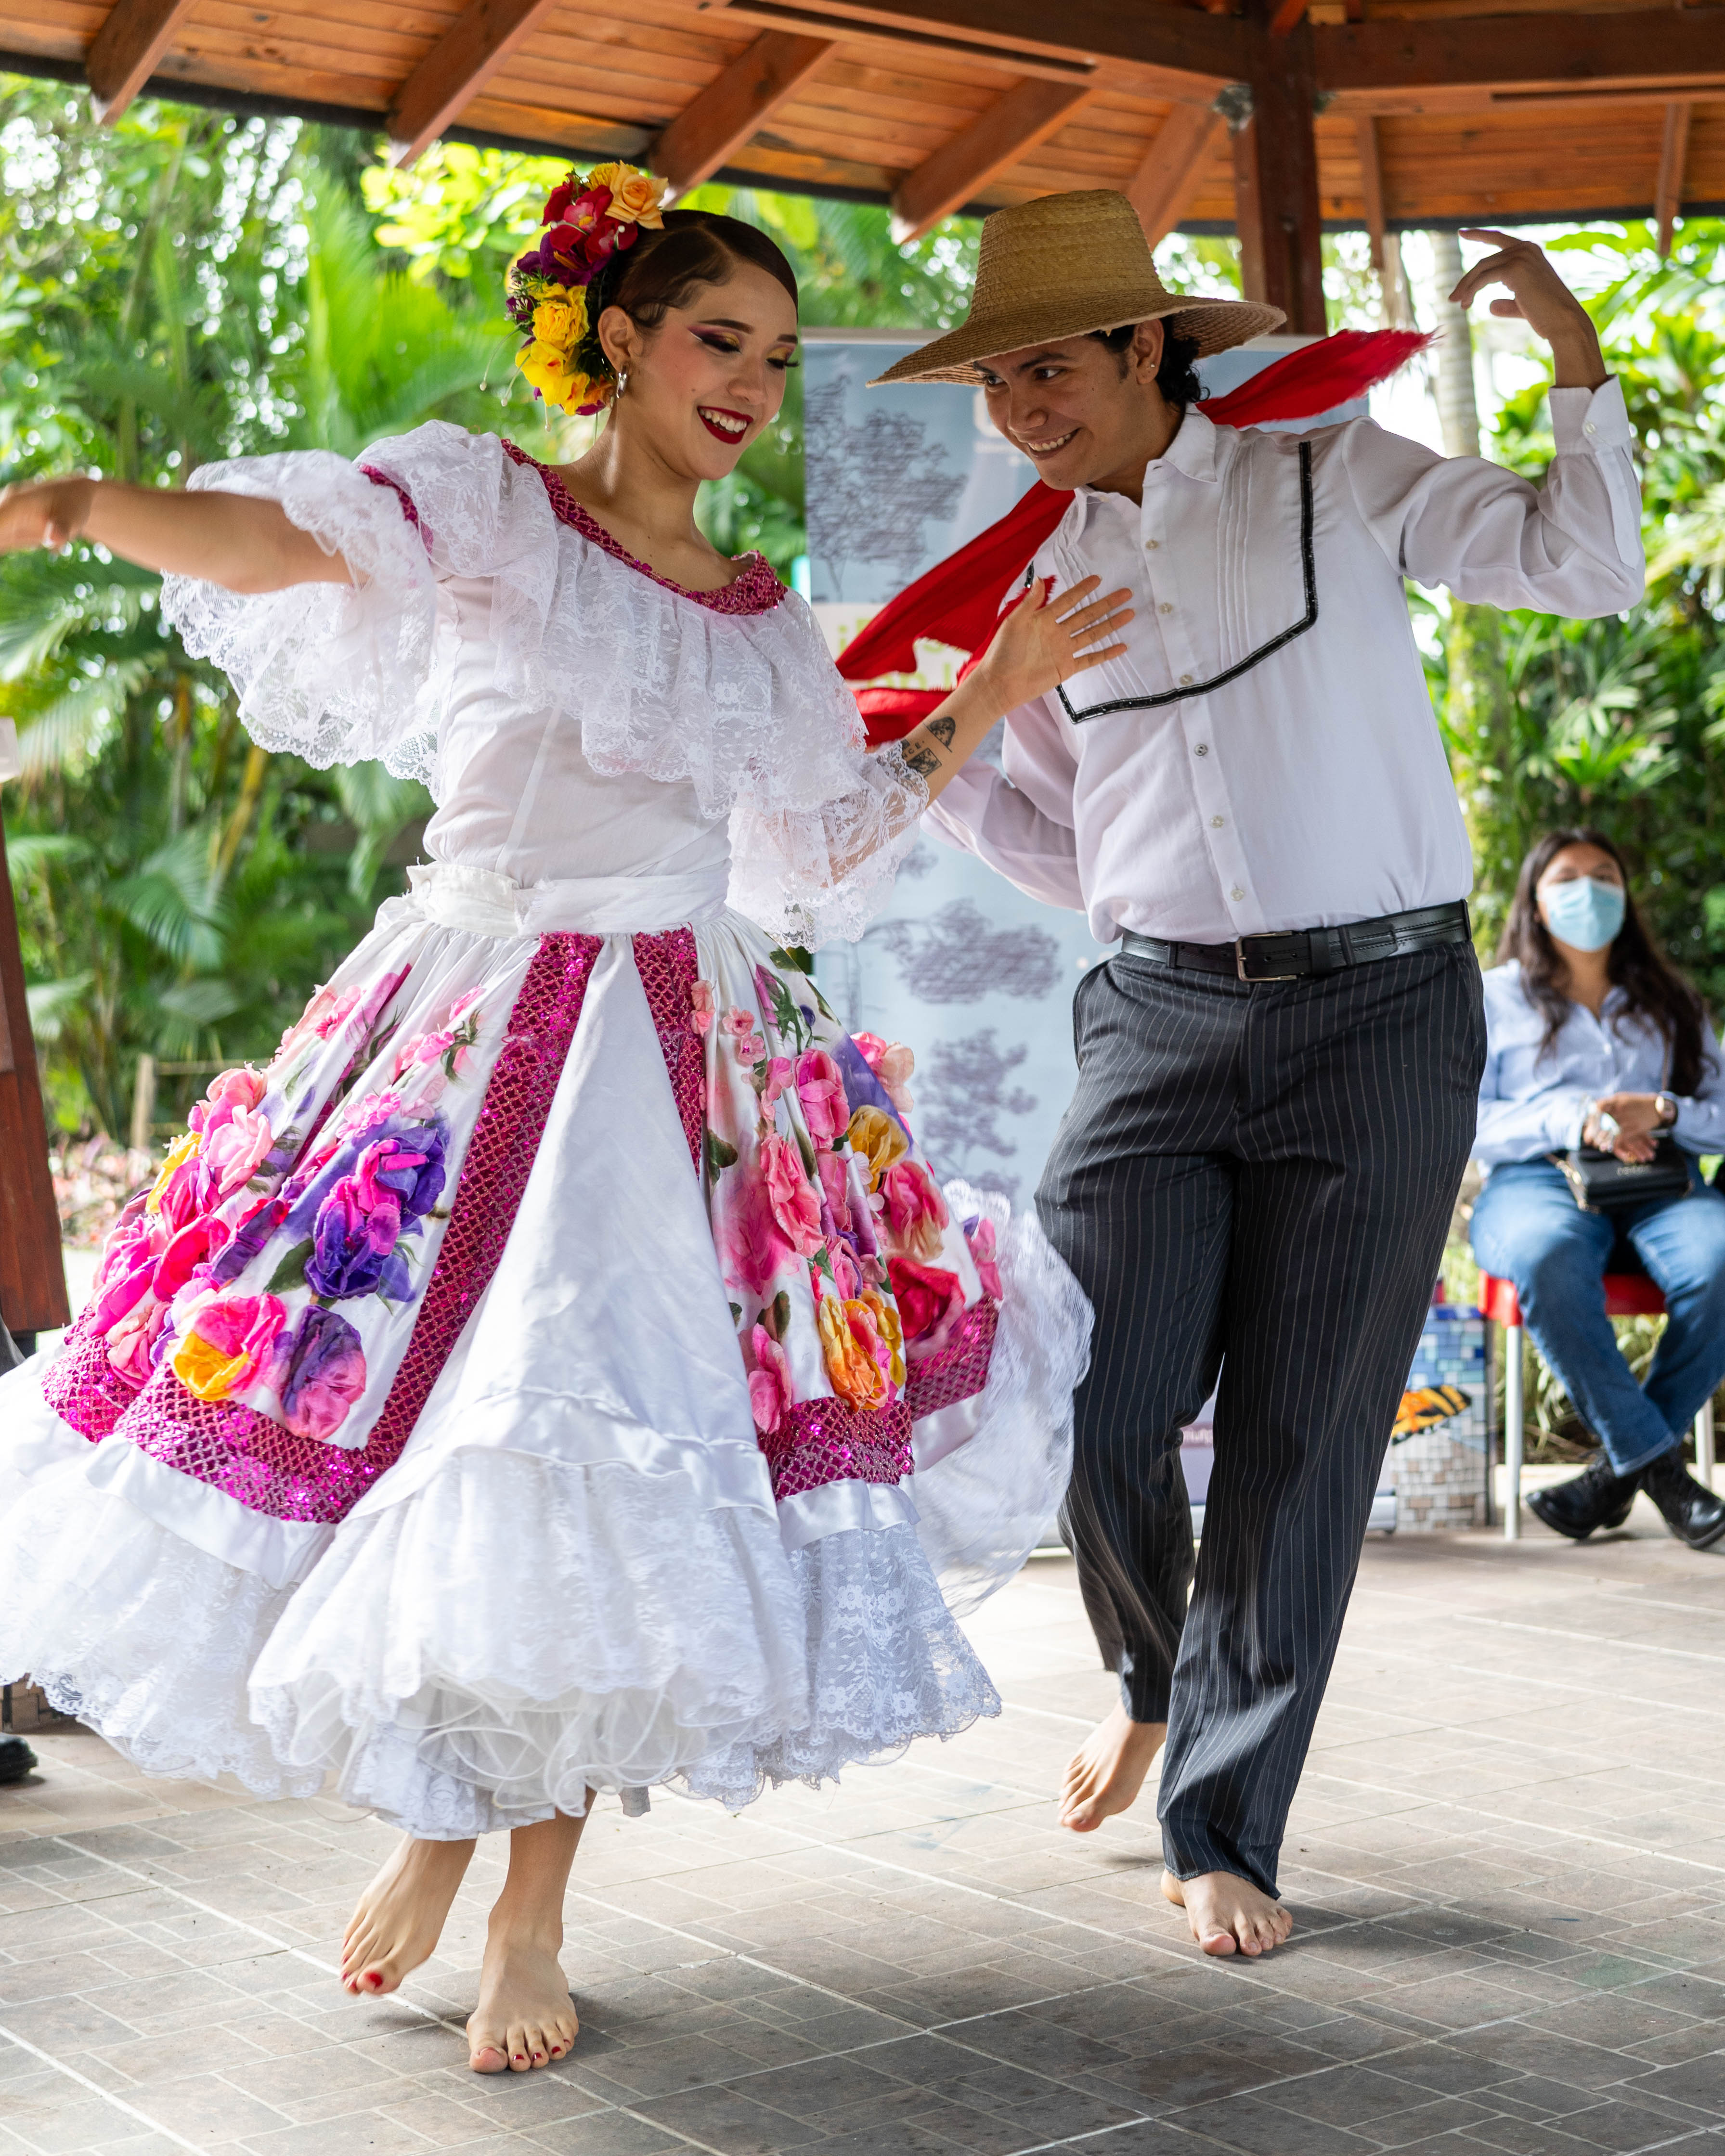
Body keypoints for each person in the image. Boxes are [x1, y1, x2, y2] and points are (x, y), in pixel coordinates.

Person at [0, 172, 1112, 2071]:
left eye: (777, 356)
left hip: (675, 1072)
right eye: (717, 340)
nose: (751, 382)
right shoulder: (489, 508)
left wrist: (988, 691)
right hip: (456, 1034)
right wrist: (87, 508)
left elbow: (819, 856)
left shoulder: (762, 626)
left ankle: (521, 1903)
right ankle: (440, 1825)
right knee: (432, 1443)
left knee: (598, 1448)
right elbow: (277, 545)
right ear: (622, 337)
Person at [876, 188, 1645, 1956]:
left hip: (1381, 1018)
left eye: (1049, 368)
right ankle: (1157, 1677)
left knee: (1303, 1445)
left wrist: (1575, 364)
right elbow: (1072, 840)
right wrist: (953, 744)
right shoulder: (1029, 579)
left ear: (1147, 345)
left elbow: (1580, 565)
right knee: (1087, 1393)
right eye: (995, 381)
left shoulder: (1328, 472)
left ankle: (1220, 1824)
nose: (1020, 408)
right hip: (1154, 1019)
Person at [1471, 828, 1725, 1547]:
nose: (1588, 890)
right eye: (1567, 878)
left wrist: (1664, 1110)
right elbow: (1461, 1122)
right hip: (1537, 1178)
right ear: (1535, 903)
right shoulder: (1491, 997)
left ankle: (1614, 1476)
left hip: (1658, 1176)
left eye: (1605, 875)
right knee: (1546, 1256)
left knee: (1720, 1259)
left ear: (1625, 895)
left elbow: (1723, 1114)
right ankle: (1661, 1473)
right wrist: (1571, 1117)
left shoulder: (1672, 1000)